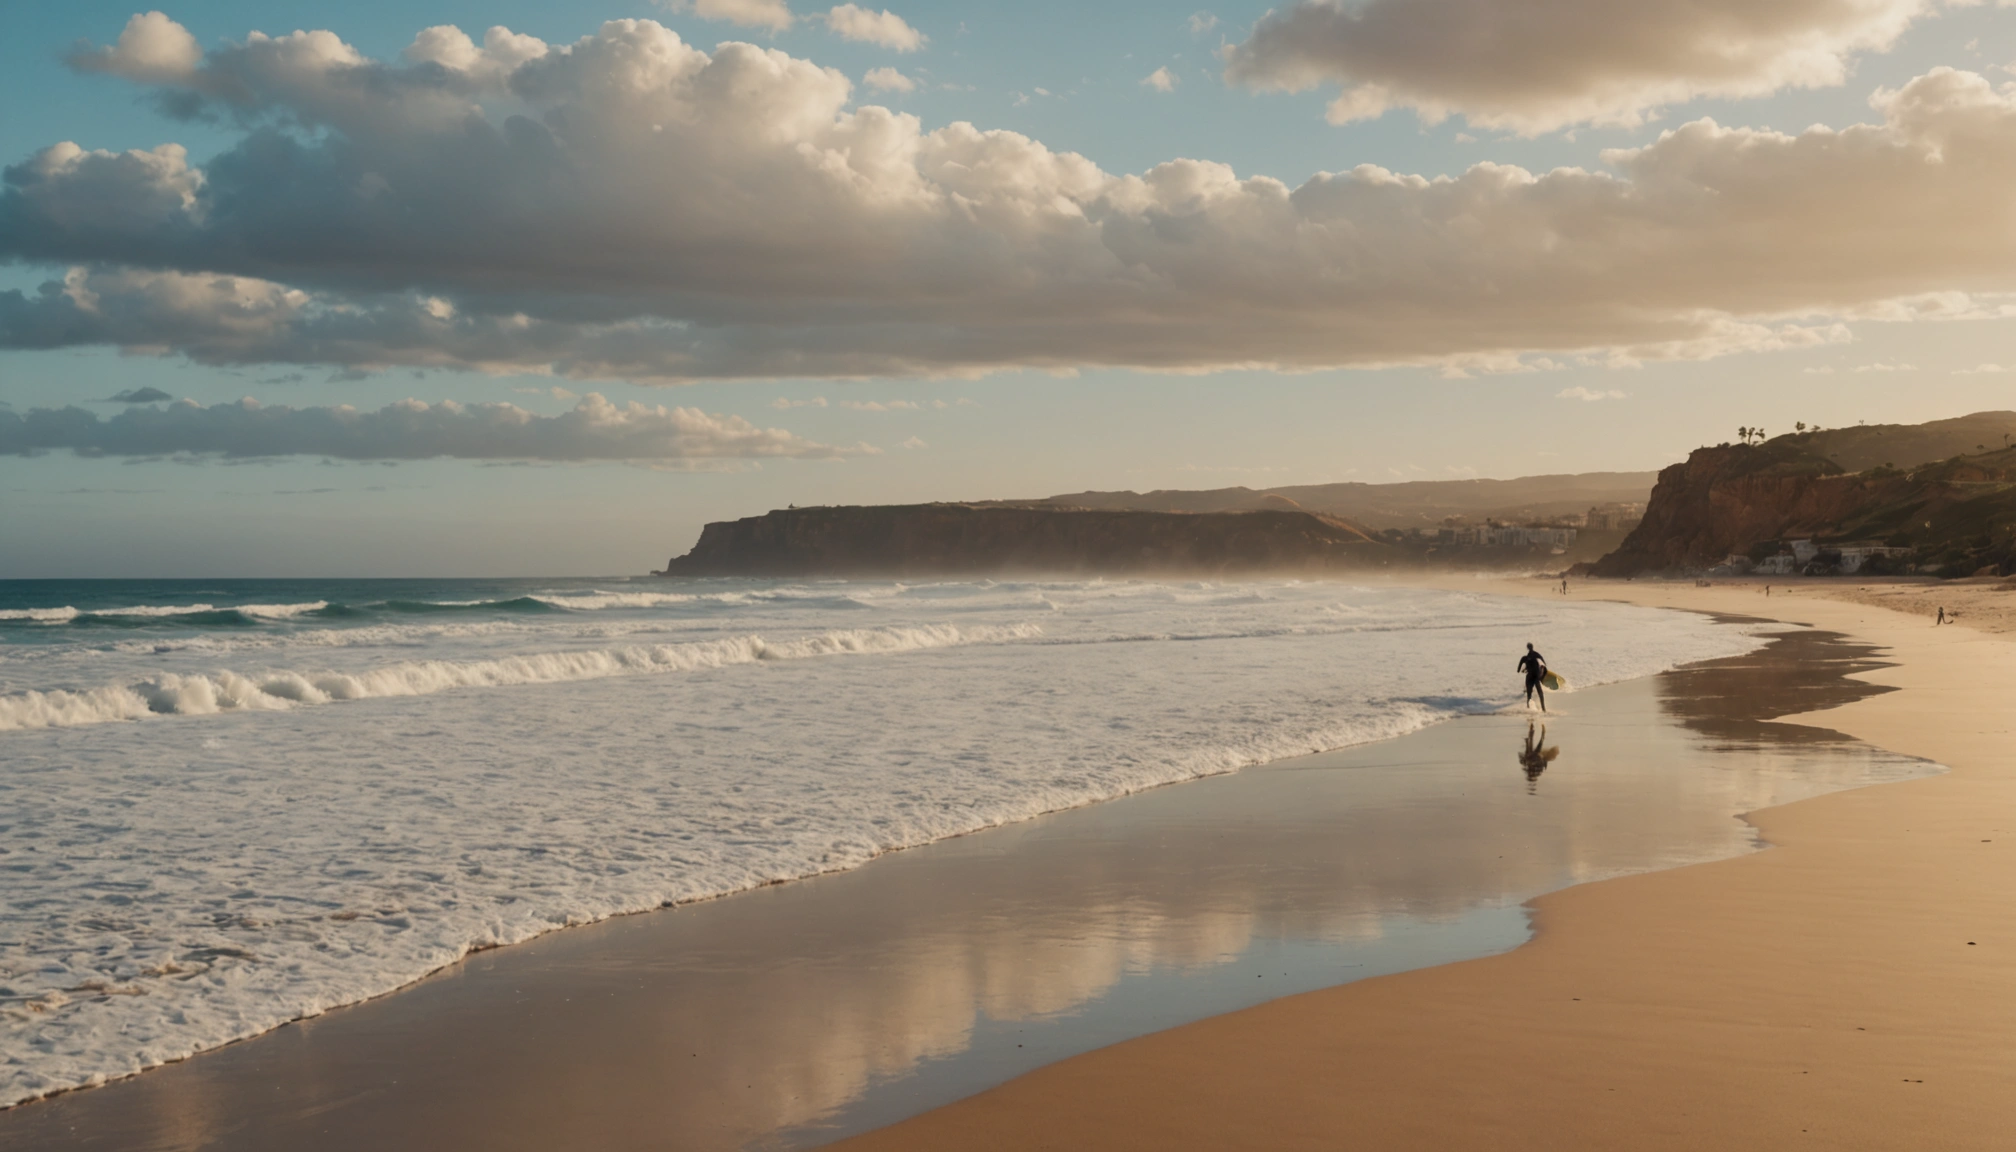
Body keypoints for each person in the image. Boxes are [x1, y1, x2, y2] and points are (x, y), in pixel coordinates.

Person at [1517, 642, 1548, 712]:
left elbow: (1518, 669)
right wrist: (1544, 670)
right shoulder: (1535, 654)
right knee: (1539, 693)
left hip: (1530, 677)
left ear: (1527, 648)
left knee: (1529, 694)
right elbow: (1544, 662)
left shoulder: (1525, 658)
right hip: (1535, 677)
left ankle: (1529, 709)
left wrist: (1524, 669)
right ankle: (1543, 709)